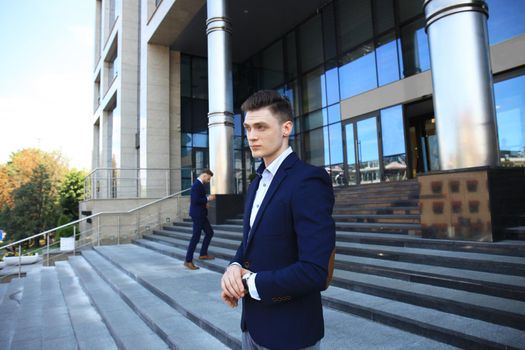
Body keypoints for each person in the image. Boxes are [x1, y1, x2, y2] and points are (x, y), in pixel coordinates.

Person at [220, 90, 336, 349]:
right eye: (248, 128)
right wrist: (234, 266)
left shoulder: (308, 181)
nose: (251, 136)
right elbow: (250, 243)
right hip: (251, 326)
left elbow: (315, 271)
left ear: (286, 128)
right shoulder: (256, 183)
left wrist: (248, 283)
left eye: (261, 127)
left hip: (290, 333)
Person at [184, 169, 216, 270]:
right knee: (196, 237)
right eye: (209, 178)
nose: (209, 180)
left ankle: (203, 254)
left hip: (201, 214)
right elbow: (195, 200)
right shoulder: (196, 185)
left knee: (209, 232)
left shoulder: (200, 184)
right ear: (204, 175)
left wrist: (205, 203)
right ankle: (188, 261)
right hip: (197, 215)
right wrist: (208, 199)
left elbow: (198, 199)